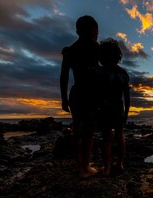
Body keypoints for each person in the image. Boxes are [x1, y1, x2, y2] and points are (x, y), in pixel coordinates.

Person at [60, 15, 100, 177]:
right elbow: (103, 70)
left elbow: (63, 76)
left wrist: (64, 98)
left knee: (77, 129)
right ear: (93, 31)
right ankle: (84, 168)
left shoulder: (69, 50)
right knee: (88, 131)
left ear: (77, 31)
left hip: (76, 93)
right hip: (89, 93)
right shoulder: (94, 47)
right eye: (96, 30)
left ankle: (79, 164)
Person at [98, 38, 130, 176]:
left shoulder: (100, 72)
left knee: (106, 138)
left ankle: (106, 167)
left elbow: (96, 93)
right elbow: (127, 97)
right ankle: (120, 164)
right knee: (120, 135)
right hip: (119, 109)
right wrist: (126, 114)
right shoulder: (123, 73)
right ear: (118, 56)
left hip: (105, 109)